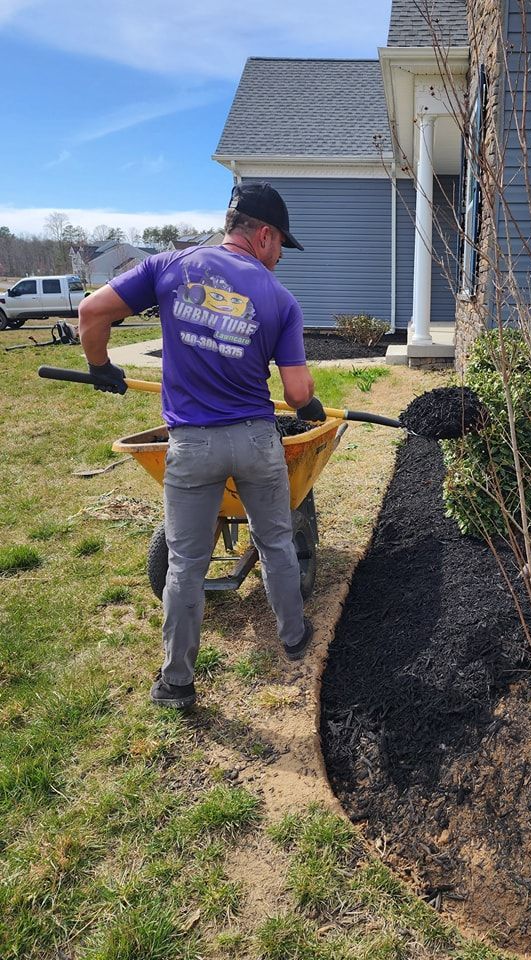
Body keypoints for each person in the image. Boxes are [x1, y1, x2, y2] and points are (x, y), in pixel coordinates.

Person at [78, 182, 325, 710]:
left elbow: (92, 313)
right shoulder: (279, 300)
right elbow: (297, 392)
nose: (280, 256)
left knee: (186, 563)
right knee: (277, 542)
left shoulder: (169, 266)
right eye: (281, 243)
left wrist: (100, 366)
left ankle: (177, 683)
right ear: (262, 235)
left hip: (190, 444)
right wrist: (311, 409)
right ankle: (294, 636)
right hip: (258, 442)